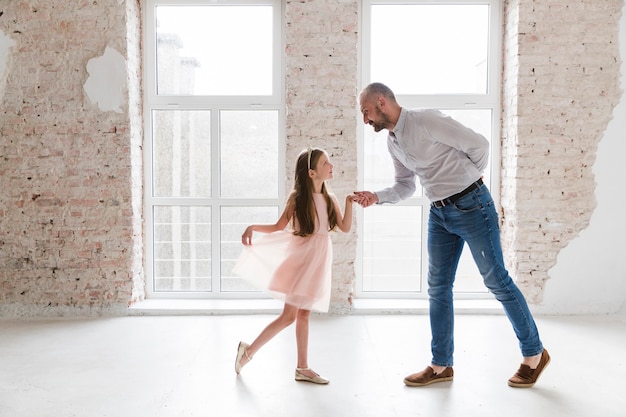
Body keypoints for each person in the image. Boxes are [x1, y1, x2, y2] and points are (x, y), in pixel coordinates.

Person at [354, 82, 550, 388]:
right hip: (439, 213)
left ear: (381, 103)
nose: (365, 120)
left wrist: (470, 178)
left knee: (496, 279)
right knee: (438, 287)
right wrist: (376, 197)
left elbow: (480, 145)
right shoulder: (393, 142)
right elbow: (406, 185)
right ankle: (441, 364)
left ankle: (534, 354)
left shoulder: (426, 120)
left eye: (366, 112)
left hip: (473, 206)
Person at [232, 147, 354, 384]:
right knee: (289, 316)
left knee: (304, 314)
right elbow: (279, 226)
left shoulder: (330, 199)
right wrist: (252, 227)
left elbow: (345, 227)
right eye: (325, 164)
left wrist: (349, 202)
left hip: (318, 261)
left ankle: (302, 367)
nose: (331, 166)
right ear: (311, 173)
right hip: (301, 261)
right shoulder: (297, 199)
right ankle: (247, 353)